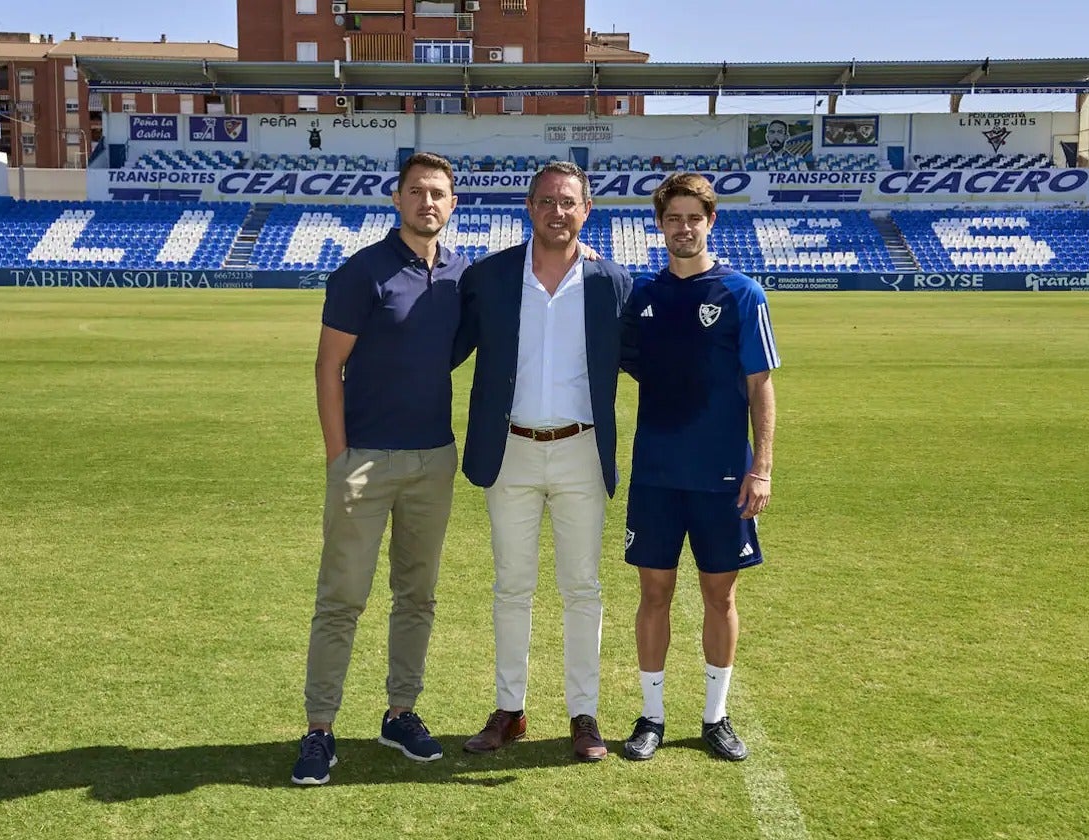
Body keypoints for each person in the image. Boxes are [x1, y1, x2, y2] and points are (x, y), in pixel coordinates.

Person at [291, 152, 467, 785]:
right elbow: (326, 368)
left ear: (453, 204)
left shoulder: (458, 276)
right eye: (417, 191)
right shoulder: (361, 272)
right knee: (341, 599)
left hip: (433, 461)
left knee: (416, 595)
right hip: (363, 461)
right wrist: (339, 457)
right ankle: (319, 729)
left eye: (439, 193)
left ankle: (401, 713)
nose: (428, 202)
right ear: (397, 200)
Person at [452, 161, 633, 763]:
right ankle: (510, 709)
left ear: (588, 210)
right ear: (530, 208)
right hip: (511, 451)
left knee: (583, 588)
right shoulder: (491, 276)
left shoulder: (612, 281)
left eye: (570, 203)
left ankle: (584, 715)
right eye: (548, 201)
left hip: (582, 449)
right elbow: (443, 347)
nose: (559, 212)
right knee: (512, 586)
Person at [619, 172, 780, 762]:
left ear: (710, 222)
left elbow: (761, 385)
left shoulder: (743, 294)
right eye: (673, 218)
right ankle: (652, 716)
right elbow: (626, 364)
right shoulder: (644, 296)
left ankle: (716, 717)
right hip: (656, 472)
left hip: (722, 476)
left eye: (694, 217)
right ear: (660, 225)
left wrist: (760, 467)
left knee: (720, 595)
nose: (683, 228)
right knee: (653, 592)